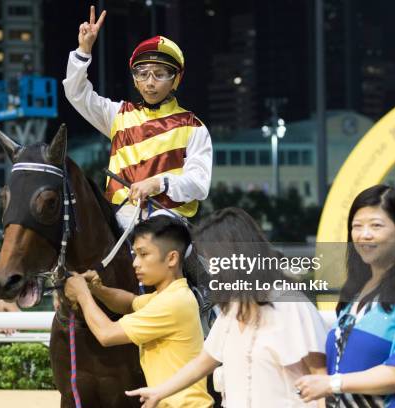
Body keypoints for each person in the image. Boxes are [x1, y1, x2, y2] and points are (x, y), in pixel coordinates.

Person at [126, 207, 328, 407]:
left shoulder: (291, 305)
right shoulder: (231, 310)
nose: (211, 270)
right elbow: (201, 364)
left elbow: (320, 377)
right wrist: (159, 392)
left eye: (214, 260)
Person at [295, 185, 395, 407]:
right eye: (357, 226)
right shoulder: (356, 290)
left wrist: (332, 384)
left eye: (376, 225)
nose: (364, 234)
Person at [63, 6, 212, 229]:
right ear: (135, 79)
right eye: (143, 74)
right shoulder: (118, 115)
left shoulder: (194, 127)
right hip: (116, 219)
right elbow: (76, 93)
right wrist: (83, 51)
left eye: (160, 74)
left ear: (176, 79)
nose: (150, 82)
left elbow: (199, 184)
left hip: (168, 221)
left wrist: (158, 183)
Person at [64, 216, 214, 407]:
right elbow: (129, 303)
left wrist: (82, 294)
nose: (135, 263)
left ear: (172, 258)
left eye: (143, 254)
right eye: (135, 254)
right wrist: (96, 289)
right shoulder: (169, 296)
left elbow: (106, 334)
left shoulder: (172, 302)